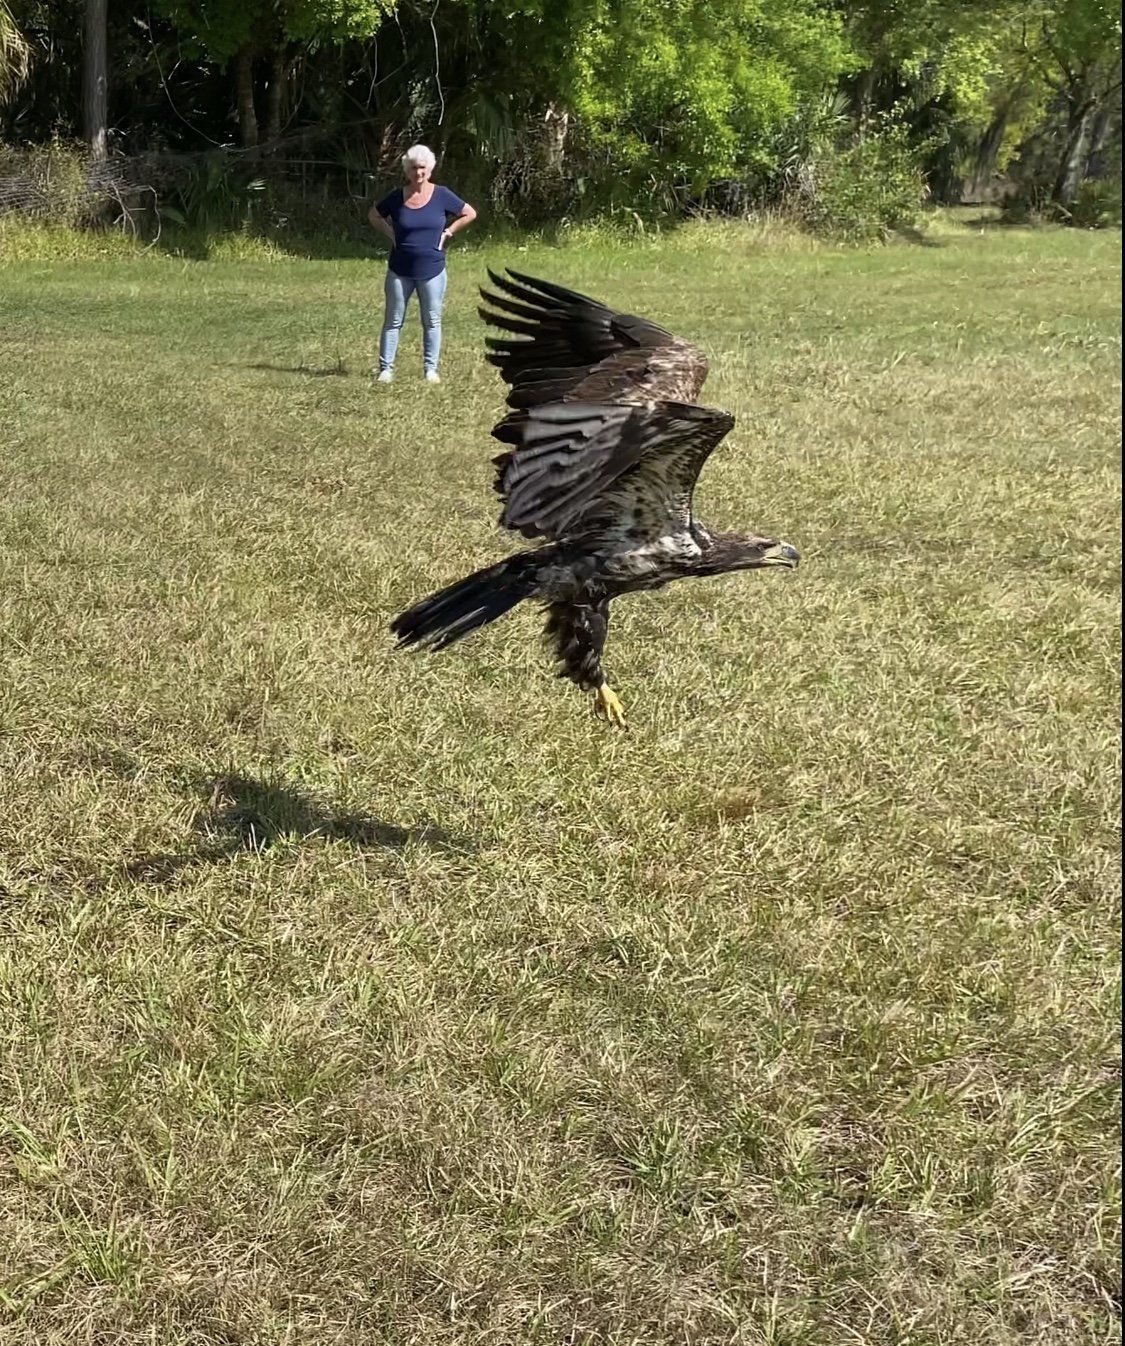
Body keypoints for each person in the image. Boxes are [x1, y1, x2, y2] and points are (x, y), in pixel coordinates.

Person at [368, 145, 477, 384]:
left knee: (432, 320)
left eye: (423, 168)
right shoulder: (397, 197)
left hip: (432, 270)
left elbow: (469, 213)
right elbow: (374, 215)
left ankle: (430, 370)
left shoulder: (442, 195)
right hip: (400, 269)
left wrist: (449, 232)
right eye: (415, 168)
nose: (419, 173)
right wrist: (390, 233)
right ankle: (385, 369)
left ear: (430, 169)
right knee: (393, 320)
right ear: (408, 170)